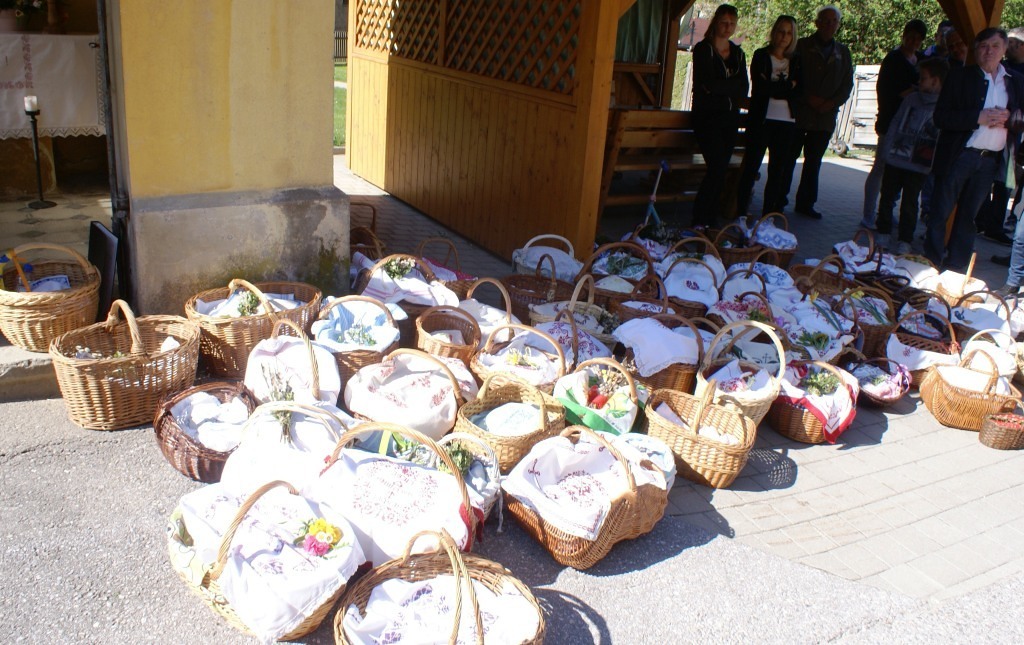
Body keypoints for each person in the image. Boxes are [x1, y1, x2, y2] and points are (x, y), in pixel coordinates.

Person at [924, 28, 1024, 275]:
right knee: (940, 211)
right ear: (976, 50)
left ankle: (955, 269)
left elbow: (1021, 117)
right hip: (960, 156)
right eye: (983, 46)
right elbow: (941, 117)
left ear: (1004, 49)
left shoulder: (1015, 81)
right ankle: (931, 264)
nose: (989, 51)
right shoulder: (960, 76)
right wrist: (977, 117)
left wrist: (1010, 118)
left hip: (989, 160)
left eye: (995, 46)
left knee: (969, 218)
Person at [874, 58, 948, 254]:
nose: (919, 81)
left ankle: (905, 239)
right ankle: (883, 232)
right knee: (887, 196)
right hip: (897, 157)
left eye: (923, 78)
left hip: (919, 164)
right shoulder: (911, 99)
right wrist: (887, 149)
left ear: (935, 81)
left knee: (910, 202)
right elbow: (896, 122)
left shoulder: (943, 106)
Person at [861, 20, 927, 230]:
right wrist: (914, 91)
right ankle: (868, 215)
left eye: (918, 39)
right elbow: (888, 92)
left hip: (913, 126)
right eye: (911, 36)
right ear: (904, 35)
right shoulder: (893, 59)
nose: (913, 41)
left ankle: (886, 212)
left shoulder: (922, 60)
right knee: (880, 168)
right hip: (890, 121)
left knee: (898, 172)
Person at [789, 5, 853, 220]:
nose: (829, 25)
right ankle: (778, 200)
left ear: (838, 25)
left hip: (825, 117)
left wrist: (831, 103)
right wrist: (807, 97)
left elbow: (847, 84)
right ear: (817, 23)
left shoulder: (843, 52)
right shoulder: (801, 46)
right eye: (825, 20)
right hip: (799, 114)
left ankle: (806, 203)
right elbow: (791, 76)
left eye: (834, 21)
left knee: (814, 161)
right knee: (788, 158)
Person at [734, 15, 799, 219]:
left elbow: (800, 91)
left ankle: (768, 216)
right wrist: (788, 86)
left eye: (789, 33)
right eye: (781, 31)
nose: (784, 37)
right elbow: (761, 88)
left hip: (787, 122)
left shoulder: (797, 60)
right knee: (751, 167)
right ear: (774, 32)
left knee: (777, 171)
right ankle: (741, 214)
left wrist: (777, 87)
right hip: (761, 120)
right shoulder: (761, 55)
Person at [690, 3, 748, 228]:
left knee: (721, 169)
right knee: (715, 167)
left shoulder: (738, 53)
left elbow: (743, 87)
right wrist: (727, 86)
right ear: (716, 23)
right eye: (724, 22)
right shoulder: (703, 49)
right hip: (707, 117)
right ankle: (700, 217)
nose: (728, 27)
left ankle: (710, 217)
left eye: (732, 23)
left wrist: (721, 87)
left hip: (730, 118)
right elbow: (708, 84)